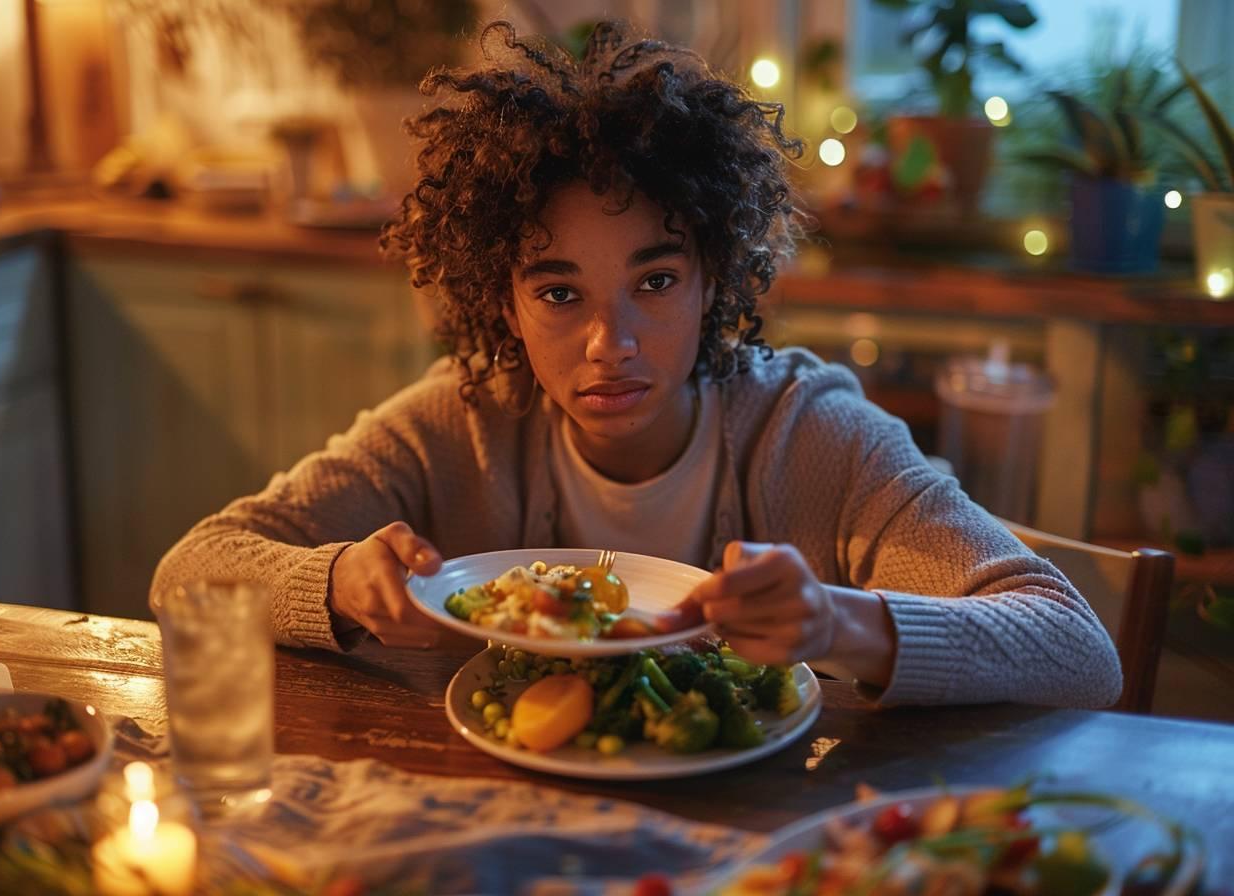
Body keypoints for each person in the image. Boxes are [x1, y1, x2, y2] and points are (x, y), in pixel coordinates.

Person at [152, 20, 1122, 708]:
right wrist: (336, 583)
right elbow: (188, 570)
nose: (608, 343)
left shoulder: (812, 436)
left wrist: (836, 622)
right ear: (504, 302)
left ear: (714, 278)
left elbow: (1079, 647)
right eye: (560, 292)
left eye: (654, 284)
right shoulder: (460, 421)